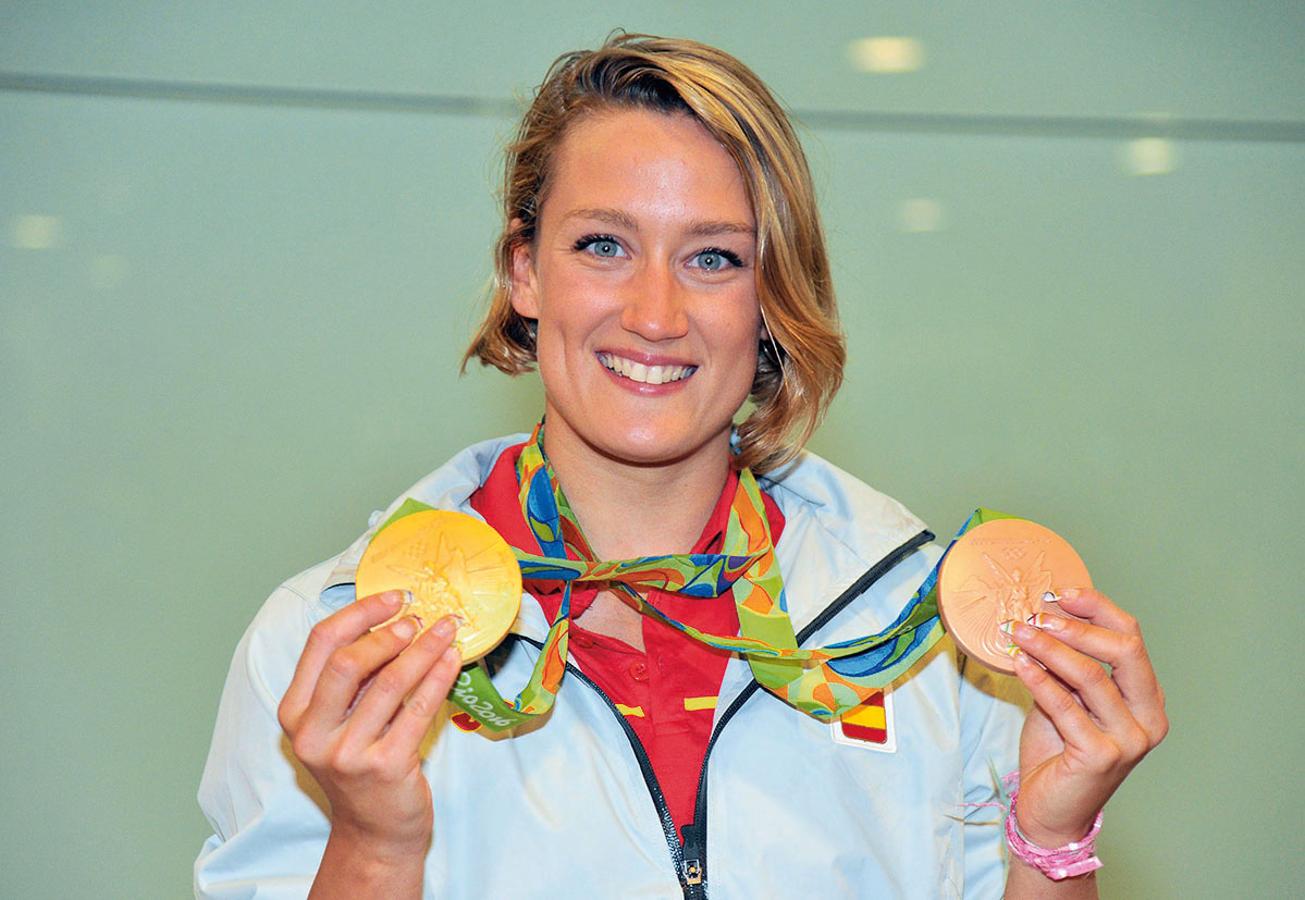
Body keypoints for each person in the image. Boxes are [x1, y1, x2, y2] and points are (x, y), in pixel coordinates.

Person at [195, 33, 1167, 899]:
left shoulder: (917, 630)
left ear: (771, 294)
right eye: (604, 245)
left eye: (714, 259)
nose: (656, 316)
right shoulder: (335, 648)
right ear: (523, 272)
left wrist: (1051, 843)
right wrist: (372, 848)